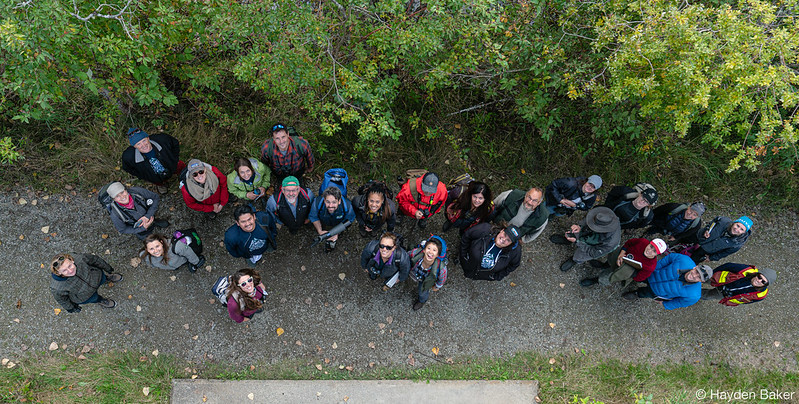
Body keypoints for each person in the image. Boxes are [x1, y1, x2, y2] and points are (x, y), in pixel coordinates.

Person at [622, 253, 713, 310]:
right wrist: (654, 267)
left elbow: (679, 302)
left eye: (698, 277)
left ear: (701, 281)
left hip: (656, 292)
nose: (694, 276)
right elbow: (670, 258)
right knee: (639, 276)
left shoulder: (694, 295)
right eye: (696, 272)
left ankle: (637, 293)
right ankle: (634, 278)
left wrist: (666, 304)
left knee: (645, 293)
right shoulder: (684, 260)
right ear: (695, 267)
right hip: (653, 274)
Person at [551, 206, 621, 272]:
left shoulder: (610, 243)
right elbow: (588, 218)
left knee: (582, 255)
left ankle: (574, 260)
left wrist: (577, 242)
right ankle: (568, 240)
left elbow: (592, 253)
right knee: (576, 232)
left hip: (595, 246)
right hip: (589, 232)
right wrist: (579, 226)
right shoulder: (603, 214)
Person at [579, 238, 667, 287]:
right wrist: (621, 254)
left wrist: (626, 270)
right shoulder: (642, 242)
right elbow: (628, 243)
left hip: (625, 269)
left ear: (657, 254)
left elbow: (639, 278)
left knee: (609, 276)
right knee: (611, 259)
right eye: (651, 246)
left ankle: (596, 280)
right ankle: (604, 266)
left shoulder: (650, 266)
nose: (649, 250)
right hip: (621, 257)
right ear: (649, 243)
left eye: (654, 251)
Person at [49, 253, 123, 312]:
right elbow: (62, 299)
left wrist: (107, 268)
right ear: (58, 273)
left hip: (96, 277)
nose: (70, 271)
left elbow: (95, 260)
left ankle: (107, 278)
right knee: (95, 298)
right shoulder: (56, 287)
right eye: (64, 270)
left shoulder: (80, 258)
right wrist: (71, 308)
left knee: (103, 278)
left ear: (72, 260)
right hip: (84, 296)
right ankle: (101, 300)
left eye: (70, 266)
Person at [121, 128, 184, 193]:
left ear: (148, 138)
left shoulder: (162, 139)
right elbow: (127, 168)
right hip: (154, 176)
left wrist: (174, 159)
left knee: (181, 167)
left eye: (144, 141)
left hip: (172, 165)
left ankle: (183, 176)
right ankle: (162, 184)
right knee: (157, 181)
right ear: (134, 146)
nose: (143, 145)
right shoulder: (129, 156)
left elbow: (175, 143)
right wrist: (143, 175)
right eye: (138, 144)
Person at [702, 263, 775, 306]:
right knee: (701, 278)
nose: (759, 281)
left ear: (765, 285)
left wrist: (730, 298)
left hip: (724, 293)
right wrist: (712, 273)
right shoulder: (746, 270)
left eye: (763, 282)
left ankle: (695, 295)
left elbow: (746, 301)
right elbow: (728, 265)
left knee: (706, 296)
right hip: (718, 279)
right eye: (759, 277)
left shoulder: (761, 295)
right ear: (757, 274)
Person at [309, 187, 356, 252]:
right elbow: (313, 217)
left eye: (334, 202)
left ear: (339, 201)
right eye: (328, 202)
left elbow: (349, 220)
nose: (330, 205)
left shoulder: (347, 206)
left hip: (338, 222)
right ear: (324, 200)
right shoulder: (317, 202)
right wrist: (320, 231)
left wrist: (336, 232)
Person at [408, 236, 447, 311]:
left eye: (434, 250)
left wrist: (437, 286)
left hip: (426, 281)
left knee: (422, 292)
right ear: (424, 250)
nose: (431, 252)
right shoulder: (415, 253)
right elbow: (406, 256)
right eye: (429, 248)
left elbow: (442, 279)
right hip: (413, 272)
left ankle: (421, 301)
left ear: (438, 255)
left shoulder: (441, 268)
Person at [140, 234, 206, 273]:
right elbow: (151, 263)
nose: (156, 251)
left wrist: (196, 263)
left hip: (182, 261)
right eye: (151, 249)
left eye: (157, 246)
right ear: (147, 249)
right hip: (173, 266)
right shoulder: (143, 255)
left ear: (161, 242)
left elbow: (189, 254)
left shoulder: (177, 247)